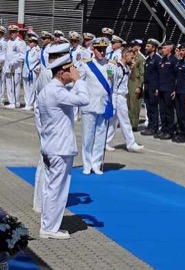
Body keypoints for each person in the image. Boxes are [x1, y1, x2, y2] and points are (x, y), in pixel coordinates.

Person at [37, 51, 89, 239]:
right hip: (59, 148)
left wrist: (75, 82)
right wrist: (79, 81)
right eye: (69, 70)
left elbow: (72, 98)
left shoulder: (49, 90)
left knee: (51, 188)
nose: (72, 73)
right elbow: (83, 99)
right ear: (61, 73)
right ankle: (50, 228)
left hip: (51, 146)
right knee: (57, 190)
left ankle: (47, 224)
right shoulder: (56, 91)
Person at [78, 37, 115, 175]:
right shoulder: (86, 64)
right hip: (89, 105)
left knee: (100, 137)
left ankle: (96, 164)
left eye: (104, 49)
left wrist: (112, 103)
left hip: (104, 105)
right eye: (99, 49)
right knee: (88, 137)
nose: (102, 52)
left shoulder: (111, 64)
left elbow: (112, 85)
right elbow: (79, 83)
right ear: (93, 49)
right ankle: (87, 164)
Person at [105, 49, 144, 152]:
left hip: (121, 96)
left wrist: (133, 67)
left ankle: (105, 142)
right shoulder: (115, 66)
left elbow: (133, 79)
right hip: (117, 96)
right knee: (124, 121)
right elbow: (110, 80)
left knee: (113, 121)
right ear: (125, 55)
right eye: (131, 57)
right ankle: (131, 143)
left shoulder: (126, 67)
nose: (133, 59)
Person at [155, 41, 178, 140]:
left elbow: (177, 76)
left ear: (170, 49)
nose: (162, 50)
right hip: (161, 89)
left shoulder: (174, 60)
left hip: (169, 89)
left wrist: (175, 90)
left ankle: (170, 131)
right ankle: (164, 129)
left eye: (164, 48)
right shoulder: (162, 60)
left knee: (169, 111)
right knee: (162, 111)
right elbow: (159, 75)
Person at [140, 38, 162, 136]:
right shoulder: (148, 59)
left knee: (153, 108)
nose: (146, 48)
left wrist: (157, 88)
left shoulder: (157, 59)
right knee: (148, 108)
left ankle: (154, 127)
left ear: (153, 48)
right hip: (148, 87)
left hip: (154, 88)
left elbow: (160, 74)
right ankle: (150, 126)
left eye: (148, 46)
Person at [3, 25, 26, 109]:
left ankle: (16, 102)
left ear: (17, 33)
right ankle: (11, 102)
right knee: (8, 85)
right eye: (10, 32)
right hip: (8, 67)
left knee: (16, 84)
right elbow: (7, 55)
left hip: (16, 67)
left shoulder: (21, 42)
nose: (11, 34)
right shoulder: (8, 42)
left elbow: (23, 55)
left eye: (13, 32)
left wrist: (15, 61)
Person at [127, 39, 145, 132]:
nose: (132, 47)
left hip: (135, 82)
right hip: (128, 82)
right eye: (132, 45)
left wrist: (139, 86)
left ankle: (134, 124)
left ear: (138, 47)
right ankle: (129, 122)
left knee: (135, 104)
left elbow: (142, 74)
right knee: (128, 103)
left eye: (134, 45)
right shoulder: (129, 56)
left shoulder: (140, 58)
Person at [22, 36, 41, 111]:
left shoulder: (37, 50)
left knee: (32, 88)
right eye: (29, 42)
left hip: (32, 72)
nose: (30, 43)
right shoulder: (27, 50)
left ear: (35, 43)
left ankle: (30, 104)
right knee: (26, 88)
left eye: (31, 42)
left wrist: (37, 69)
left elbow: (39, 61)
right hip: (26, 71)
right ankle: (27, 103)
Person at [0, 26, 7, 104]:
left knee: (2, 82)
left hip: (2, 63)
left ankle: (1, 98)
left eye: (1, 33)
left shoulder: (4, 42)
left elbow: (5, 54)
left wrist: (2, 62)